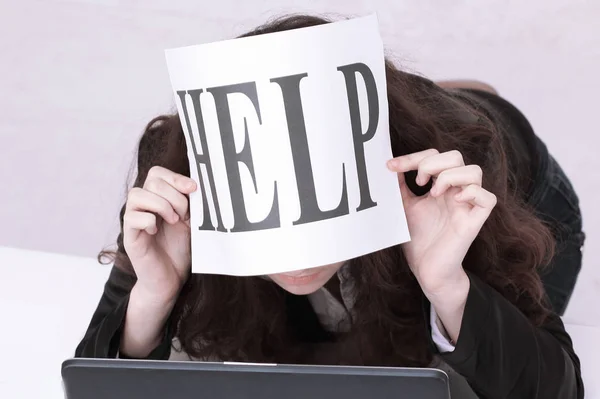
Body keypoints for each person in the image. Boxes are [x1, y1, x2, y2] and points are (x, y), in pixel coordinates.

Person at [75, 15, 585, 399]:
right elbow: (92, 380)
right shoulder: (176, 184)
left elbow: (558, 388)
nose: (297, 262)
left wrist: (448, 285)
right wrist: (155, 294)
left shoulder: (453, 186)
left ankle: (461, 95)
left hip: (523, 181)